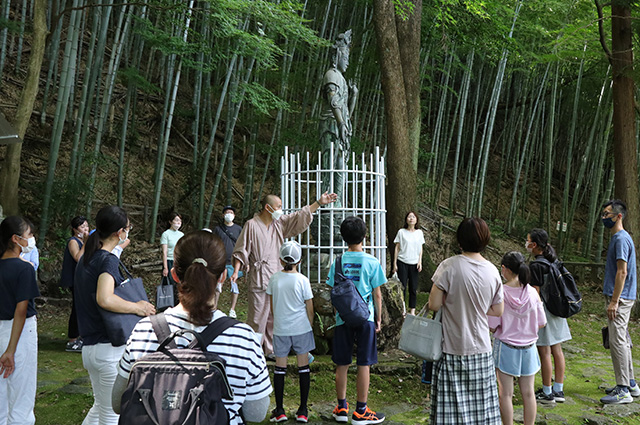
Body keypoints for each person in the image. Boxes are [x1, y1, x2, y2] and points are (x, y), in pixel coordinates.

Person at [112, 230, 271, 424]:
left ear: (174, 275)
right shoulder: (243, 337)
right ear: (222, 277)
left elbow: (118, 403)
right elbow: (257, 412)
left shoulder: (144, 330)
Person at [231, 191, 337, 358]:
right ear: (268, 207)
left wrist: (318, 203)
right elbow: (241, 249)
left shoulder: (278, 223)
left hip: (276, 277)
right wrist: (236, 271)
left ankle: (271, 349)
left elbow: (297, 217)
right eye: (278, 207)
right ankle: (253, 351)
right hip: (259, 276)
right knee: (257, 317)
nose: (281, 210)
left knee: (274, 316)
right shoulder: (251, 225)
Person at [75, 205, 155, 425]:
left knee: (100, 407)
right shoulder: (107, 260)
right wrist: (138, 307)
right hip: (108, 349)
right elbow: (105, 298)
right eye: (127, 228)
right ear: (120, 232)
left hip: (90, 348)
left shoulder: (86, 258)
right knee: (112, 415)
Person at [428, 217, 503, 425]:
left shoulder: (449, 266)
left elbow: (433, 304)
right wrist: (478, 306)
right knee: (482, 414)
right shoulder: (493, 271)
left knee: (450, 413)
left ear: (460, 240)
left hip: (453, 347)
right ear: (485, 240)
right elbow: (498, 310)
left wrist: (453, 301)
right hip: (482, 349)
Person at [326, 216, 386, 425]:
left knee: (341, 363)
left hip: (343, 318)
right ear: (364, 236)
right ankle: (361, 410)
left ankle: (342, 407)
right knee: (364, 363)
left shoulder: (339, 261)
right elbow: (377, 295)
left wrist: (338, 313)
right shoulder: (372, 261)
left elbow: (333, 290)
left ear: (344, 238)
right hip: (365, 317)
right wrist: (378, 318)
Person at [489, 251, 546, 425]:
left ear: (504, 269)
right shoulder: (532, 293)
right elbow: (542, 322)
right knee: (528, 393)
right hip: (529, 348)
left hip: (506, 347)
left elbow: (492, 325)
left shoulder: (501, 293)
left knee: (505, 393)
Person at [266, 241, 315, 423]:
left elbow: (272, 308)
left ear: (280, 260)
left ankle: (279, 410)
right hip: (301, 327)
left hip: (281, 328)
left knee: (280, 369)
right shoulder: (303, 280)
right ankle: (303, 410)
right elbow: (309, 307)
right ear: (300, 260)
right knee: (303, 368)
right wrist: (309, 325)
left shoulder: (274, 279)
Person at [0, 216, 39, 425]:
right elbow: (21, 311)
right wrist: (10, 350)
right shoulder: (24, 269)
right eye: (29, 235)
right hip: (20, 333)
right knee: (22, 392)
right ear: (16, 239)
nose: (32, 239)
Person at [600, 200, 638, 404]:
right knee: (621, 338)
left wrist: (614, 301)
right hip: (623, 296)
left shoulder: (621, 239)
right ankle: (630, 383)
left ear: (618, 216)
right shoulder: (619, 238)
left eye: (607, 214)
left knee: (617, 341)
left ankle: (623, 389)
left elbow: (622, 272)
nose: (604, 217)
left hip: (621, 298)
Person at [527, 228, 571, 404]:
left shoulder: (536, 265)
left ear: (535, 244)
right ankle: (558, 390)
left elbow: (535, 293)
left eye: (528, 240)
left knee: (544, 351)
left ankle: (547, 392)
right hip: (558, 310)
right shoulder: (553, 261)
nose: (527, 243)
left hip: (544, 312)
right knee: (557, 350)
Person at [60, 216, 90, 352]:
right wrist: (85, 243)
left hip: (83, 278)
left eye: (87, 226)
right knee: (77, 308)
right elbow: (77, 257)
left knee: (83, 307)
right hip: (74, 278)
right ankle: (72, 339)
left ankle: (81, 336)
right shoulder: (73, 241)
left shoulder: (84, 241)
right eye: (82, 227)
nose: (85, 229)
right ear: (74, 229)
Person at [392, 211, 425, 315]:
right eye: (409, 217)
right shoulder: (401, 232)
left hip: (414, 263)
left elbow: (420, 248)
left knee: (413, 288)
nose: (411, 219)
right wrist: (394, 263)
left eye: (413, 217)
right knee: (402, 287)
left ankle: (412, 310)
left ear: (416, 220)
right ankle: (403, 309)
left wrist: (420, 261)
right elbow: (397, 248)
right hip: (402, 261)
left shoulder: (419, 233)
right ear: (406, 219)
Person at [214, 205, 243, 318]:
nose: (229, 214)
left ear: (234, 215)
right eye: (227, 212)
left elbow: (242, 245)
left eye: (231, 212)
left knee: (234, 285)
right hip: (220, 261)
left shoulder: (238, 229)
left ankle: (232, 309)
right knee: (218, 285)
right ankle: (214, 307)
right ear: (223, 215)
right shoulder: (217, 229)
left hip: (234, 262)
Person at [161, 212, 184, 289]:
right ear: (170, 222)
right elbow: (164, 252)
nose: (178, 222)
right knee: (169, 284)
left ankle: (177, 301)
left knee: (179, 284)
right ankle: (168, 301)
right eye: (176, 220)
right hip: (169, 261)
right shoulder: (166, 234)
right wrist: (165, 267)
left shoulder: (181, 235)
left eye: (180, 221)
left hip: (179, 262)